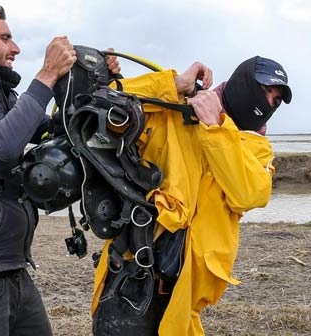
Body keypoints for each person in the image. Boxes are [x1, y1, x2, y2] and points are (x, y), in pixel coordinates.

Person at [0, 5, 119, 336]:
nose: (15, 48)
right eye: (5, 38)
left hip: (14, 266)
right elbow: (3, 142)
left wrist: (99, 81)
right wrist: (46, 75)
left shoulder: (1, 96)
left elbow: (59, 130)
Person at [90, 56, 292, 336]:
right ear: (243, 83)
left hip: (185, 298)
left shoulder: (256, 147)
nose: (270, 101)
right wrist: (173, 84)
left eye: (277, 99)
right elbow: (99, 105)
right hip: (131, 280)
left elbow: (249, 194)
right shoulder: (175, 112)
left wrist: (216, 128)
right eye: (266, 90)